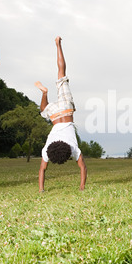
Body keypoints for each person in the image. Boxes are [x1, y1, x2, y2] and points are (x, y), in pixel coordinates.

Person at [35, 36, 87, 192]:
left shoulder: (73, 148)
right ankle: (58, 45)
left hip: (66, 110)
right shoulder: (47, 150)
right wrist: (40, 189)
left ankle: (45, 93)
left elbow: (83, 168)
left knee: (61, 73)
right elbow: (42, 170)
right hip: (56, 118)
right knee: (44, 112)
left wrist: (41, 191)